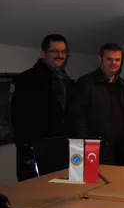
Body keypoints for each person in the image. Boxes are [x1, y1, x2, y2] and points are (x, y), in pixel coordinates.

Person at [11, 34, 76, 181]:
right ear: (43, 54)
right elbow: (17, 118)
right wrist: (27, 150)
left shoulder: (68, 82)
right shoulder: (27, 79)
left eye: (63, 52)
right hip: (37, 151)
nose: (60, 55)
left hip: (63, 150)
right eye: (55, 51)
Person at [72, 43, 124, 165]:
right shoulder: (86, 83)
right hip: (92, 148)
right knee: (91, 177)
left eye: (117, 59)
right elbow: (78, 116)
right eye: (109, 59)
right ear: (100, 59)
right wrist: (84, 144)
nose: (113, 63)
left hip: (118, 150)